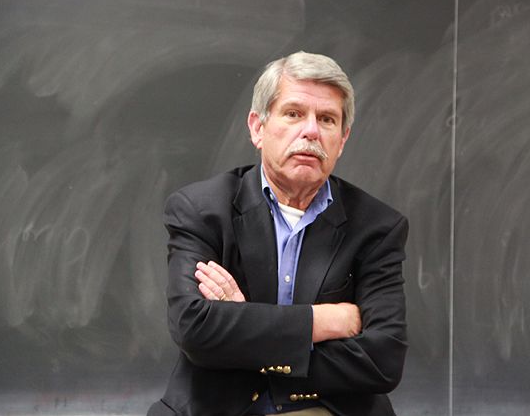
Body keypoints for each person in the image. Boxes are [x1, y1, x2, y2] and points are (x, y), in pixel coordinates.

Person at [148, 52, 408, 416]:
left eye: (327, 119)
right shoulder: (201, 210)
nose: (311, 131)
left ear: (342, 139)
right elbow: (195, 329)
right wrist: (321, 322)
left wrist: (247, 330)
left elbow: (383, 360)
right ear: (258, 127)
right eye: (294, 113)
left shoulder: (377, 227)